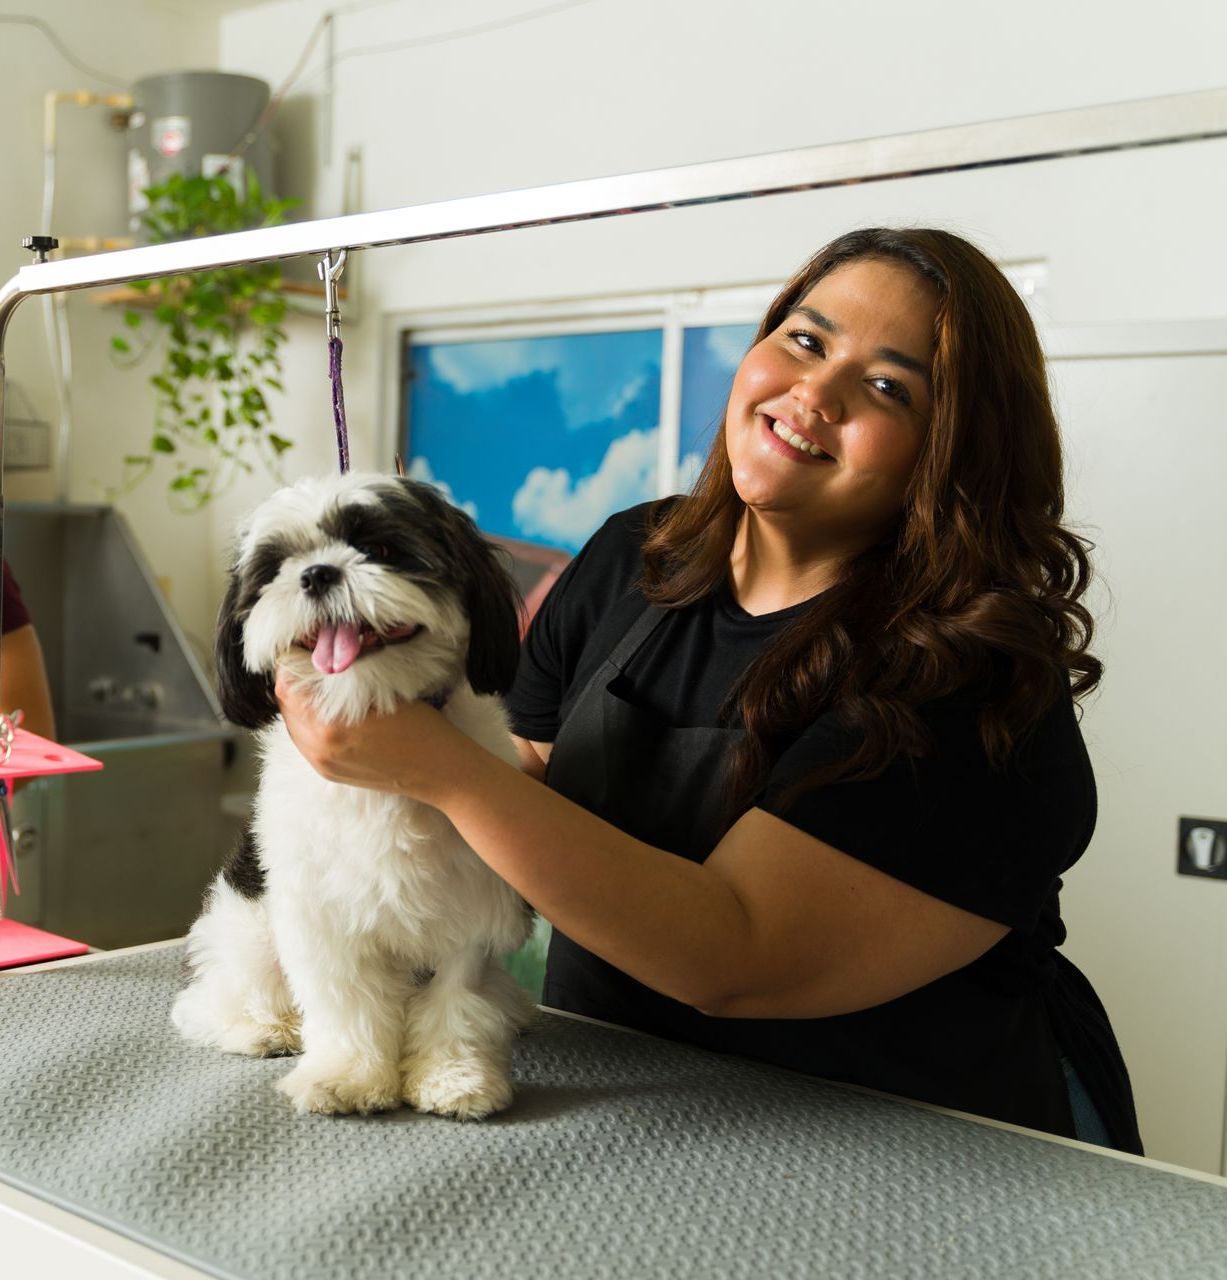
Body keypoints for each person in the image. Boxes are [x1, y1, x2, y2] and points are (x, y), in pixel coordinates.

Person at [275, 227, 1142, 1154]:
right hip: (620, 1097)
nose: (815, 392)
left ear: (952, 450)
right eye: (804, 341)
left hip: (910, 1146)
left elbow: (734, 954)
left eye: (888, 386)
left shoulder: (962, 674)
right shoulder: (633, 558)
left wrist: (439, 768)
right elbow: (519, 794)